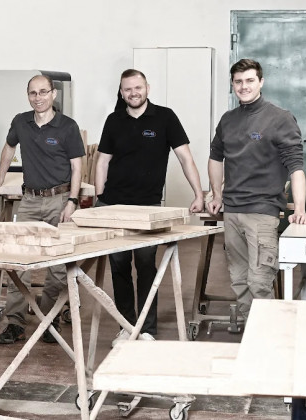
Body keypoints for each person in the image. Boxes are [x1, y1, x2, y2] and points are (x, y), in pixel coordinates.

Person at [95, 69, 204, 346]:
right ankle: (125, 327)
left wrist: (198, 193)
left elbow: (185, 158)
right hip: (114, 206)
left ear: (147, 88)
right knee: (119, 268)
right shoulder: (114, 120)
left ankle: (146, 329)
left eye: (138, 87)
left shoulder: (165, 117)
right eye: (128, 89)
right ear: (122, 92)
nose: (133, 93)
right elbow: (102, 161)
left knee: (145, 266)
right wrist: (99, 199)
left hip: (147, 207)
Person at [208, 58, 306, 319]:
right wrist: (217, 194)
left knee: (259, 281)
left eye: (250, 80)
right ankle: (249, 330)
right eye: (238, 82)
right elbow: (215, 157)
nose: (244, 86)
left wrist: (299, 208)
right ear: (233, 84)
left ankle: (268, 333)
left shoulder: (280, 118)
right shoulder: (228, 120)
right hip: (232, 211)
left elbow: (296, 167)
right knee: (239, 280)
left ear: (261, 82)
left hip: (262, 212)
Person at [0, 75, 86, 345]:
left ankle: (49, 319)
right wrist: (0, 177)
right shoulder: (21, 122)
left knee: (58, 266)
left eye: (43, 92)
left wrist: (73, 201)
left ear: (53, 94)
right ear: (28, 95)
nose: (38, 97)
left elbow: (77, 166)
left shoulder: (67, 126)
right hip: (30, 200)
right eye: (33, 93)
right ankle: (15, 323)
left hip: (60, 199)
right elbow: (9, 147)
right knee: (19, 262)